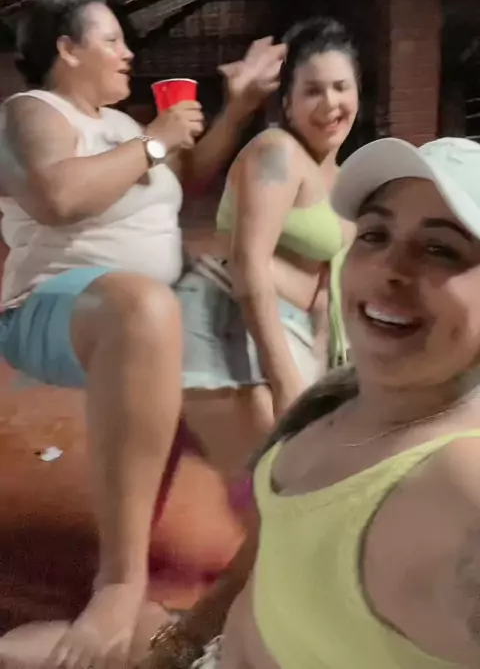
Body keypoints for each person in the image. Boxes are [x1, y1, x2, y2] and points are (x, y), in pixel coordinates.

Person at [0, 0, 284, 669]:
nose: (128, 53)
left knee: (244, 313)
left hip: (150, 310)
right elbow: (58, 195)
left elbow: (189, 176)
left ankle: (261, 560)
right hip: (56, 308)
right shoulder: (31, 112)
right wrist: (156, 140)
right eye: (111, 41)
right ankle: (120, 581)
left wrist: (237, 106)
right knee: (144, 308)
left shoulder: (125, 126)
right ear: (67, 50)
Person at [142, 134, 480, 668]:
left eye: (441, 249)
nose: (388, 267)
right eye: (374, 235)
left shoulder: (460, 486)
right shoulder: (337, 400)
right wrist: (183, 643)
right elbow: (269, 551)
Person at [177, 17, 357, 432]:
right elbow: (249, 262)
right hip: (229, 321)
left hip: (291, 330)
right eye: (312, 90)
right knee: (275, 465)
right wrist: (285, 381)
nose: (329, 103)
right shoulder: (277, 151)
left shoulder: (344, 178)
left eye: (340, 87)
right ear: (288, 104)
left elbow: (326, 286)